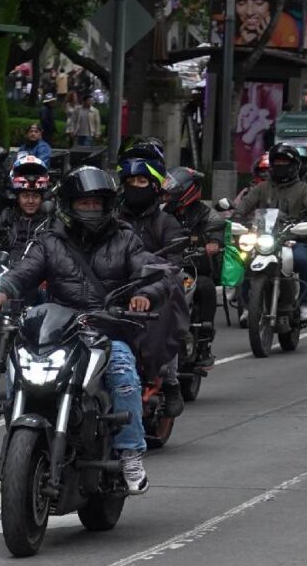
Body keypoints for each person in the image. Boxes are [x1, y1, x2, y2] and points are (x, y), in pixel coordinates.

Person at [0, 167, 168, 494]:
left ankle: (129, 453)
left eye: (97, 203)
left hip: (106, 328)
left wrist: (143, 295)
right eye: (84, 203)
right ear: (70, 204)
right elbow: (22, 271)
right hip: (58, 329)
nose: (92, 210)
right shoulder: (49, 240)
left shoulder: (126, 238)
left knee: (124, 370)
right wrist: (3, 289)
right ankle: (17, 437)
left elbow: (152, 273)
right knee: (20, 369)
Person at [115, 140, 187, 417]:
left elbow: (174, 265)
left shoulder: (166, 222)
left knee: (168, 309)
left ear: (155, 186)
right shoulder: (110, 219)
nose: (135, 185)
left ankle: (170, 380)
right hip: (115, 288)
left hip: (153, 290)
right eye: (130, 180)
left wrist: (150, 289)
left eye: (142, 181)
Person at [235, 143, 307, 322]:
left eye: (285, 162)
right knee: (244, 261)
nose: (281, 166)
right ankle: (246, 307)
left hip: (293, 238)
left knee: (304, 260)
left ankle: (305, 305)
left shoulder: (303, 189)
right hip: (263, 238)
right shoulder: (261, 188)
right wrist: (236, 216)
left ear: (295, 165)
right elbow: (244, 205)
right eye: (277, 162)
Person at [162, 166, 223, 367]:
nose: (169, 196)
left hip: (194, 269)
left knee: (206, 287)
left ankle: (204, 342)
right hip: (166, 268)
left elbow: (216, 226)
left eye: (174, 192)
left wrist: (212, 242)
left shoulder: (206, 213)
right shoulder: (162, 212)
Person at [0, 155, 55, 263]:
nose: (30, 201)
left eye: (35, 196)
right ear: (17, 198)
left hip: (40, 271)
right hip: (7, 270)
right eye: (25, 196)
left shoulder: (49, 220)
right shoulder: (8, 214)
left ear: (42, 198)